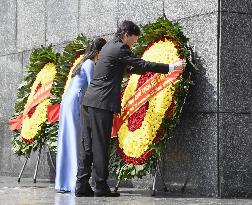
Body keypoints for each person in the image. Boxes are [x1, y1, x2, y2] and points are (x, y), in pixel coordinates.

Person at [75, 20, 185, 197]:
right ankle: (101, 186)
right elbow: (141, 65)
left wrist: (144, 70)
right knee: (100, 145)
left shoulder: (108, 47)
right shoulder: (120, 48)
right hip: (102, 104)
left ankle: (81, 184)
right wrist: (171, 67)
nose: (135, 42)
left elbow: (128, 68)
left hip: (89, 102)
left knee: (87, 145)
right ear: (126, 35)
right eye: (134, 38)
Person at [55, 38, 107, 193]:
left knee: (67, 139)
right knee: (77, 139)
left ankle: (64, 181)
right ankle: (73, 181)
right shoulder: (90, 64)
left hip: (67, 102)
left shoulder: (81, 63)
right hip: (77, 102)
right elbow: (93, 85)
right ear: (99, 51)